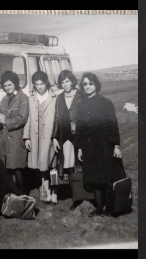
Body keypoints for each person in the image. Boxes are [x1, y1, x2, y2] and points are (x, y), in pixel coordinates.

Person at [75, 72, 122, 217]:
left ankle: (111, 206)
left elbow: (112, 125)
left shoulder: (106, 103)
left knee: (105, 177)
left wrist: (116, 146)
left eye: (90, 83)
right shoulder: (81, 105)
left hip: (104, 146)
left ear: (96, 85)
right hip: (88, 147)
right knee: (93, 179)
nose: (87, 86)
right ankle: (99, 207)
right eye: (85, 84)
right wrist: (80, 148)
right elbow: (80, 128)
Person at [23, 71, 58, 205]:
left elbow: (57, 119)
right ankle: (46, 191)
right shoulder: (31, 98)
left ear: (46, 83)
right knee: (41, 167)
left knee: (53, 167)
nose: (39, 87)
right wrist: (27, 138)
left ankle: (54, 192)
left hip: (50, 136)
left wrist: (55, 137)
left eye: (42, 84)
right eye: (37, 84)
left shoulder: (54, 97)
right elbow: (28, 119)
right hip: (36, 137)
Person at [52, 70, 85, 209]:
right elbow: (56, 119)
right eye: (62, 82)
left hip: (78, 138)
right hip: (63, 138)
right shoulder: (59, 98)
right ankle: (74, 196)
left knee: (79, 167)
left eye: (67, 81)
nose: (65, 85)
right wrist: (54, 137)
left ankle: (82, 197)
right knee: (67, 167)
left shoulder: (81, 97)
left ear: (72, 81)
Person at [0, 70, 29, 194]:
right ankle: (11, 193)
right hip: (4, 136)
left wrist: (5, 122)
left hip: (16, 136)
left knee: (17, 167)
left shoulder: (23, 98)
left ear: (15, 83)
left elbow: (22, 118)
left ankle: (22, 195)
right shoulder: (4, 98)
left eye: (10, 85)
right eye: (5, 86)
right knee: (6, 166)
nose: (7, 88)